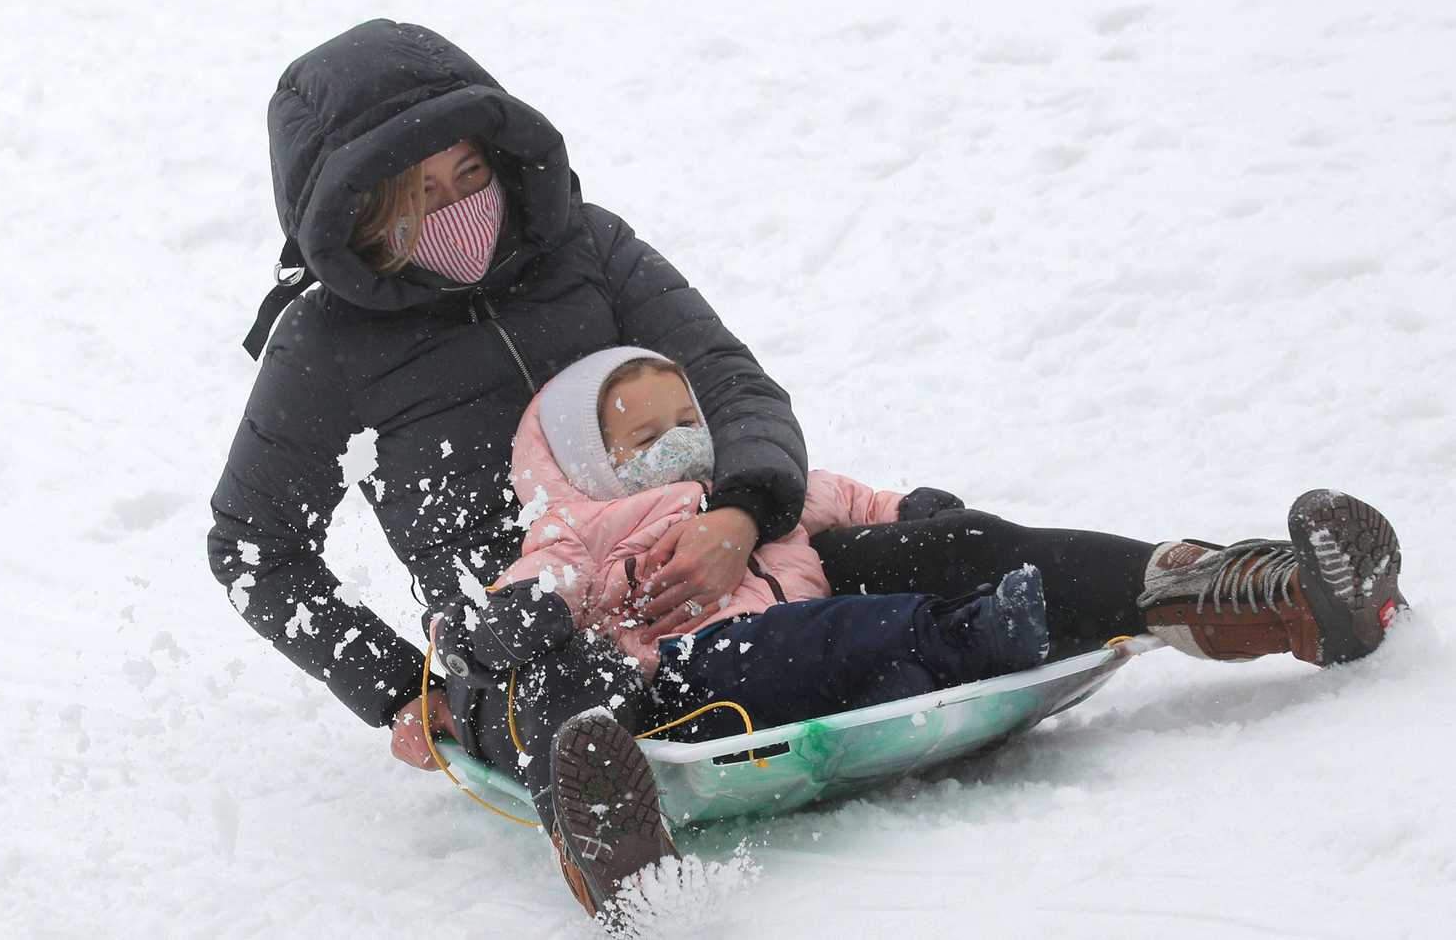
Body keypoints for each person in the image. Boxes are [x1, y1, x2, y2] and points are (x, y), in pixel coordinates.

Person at [208, 18, 1408, 924]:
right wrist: (401, 687)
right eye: (418, 199)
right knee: (550, 685)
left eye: (469, 175)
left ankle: (1244, 592)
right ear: (353, 219)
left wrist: (739, 514)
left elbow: (734, 387)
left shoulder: (586, 246)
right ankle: (615, 834)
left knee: (957, 544)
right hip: (539, 622)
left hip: (729, 553)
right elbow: (252, 545)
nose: (459, 209)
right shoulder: (325, 346)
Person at [428, 346, 1054, 917]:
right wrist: (516, 613)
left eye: (686, 422)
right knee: (831, 634)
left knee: (871, 665)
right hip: (699, 667)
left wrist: (907, 509)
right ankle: (971, 634)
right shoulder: (587, 526)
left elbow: (841, 498)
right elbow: (545, 576)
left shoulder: (744, 492)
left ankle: (940, 684)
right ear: (591, 464)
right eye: (645, 438)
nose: (676, 442)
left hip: (786, 650)